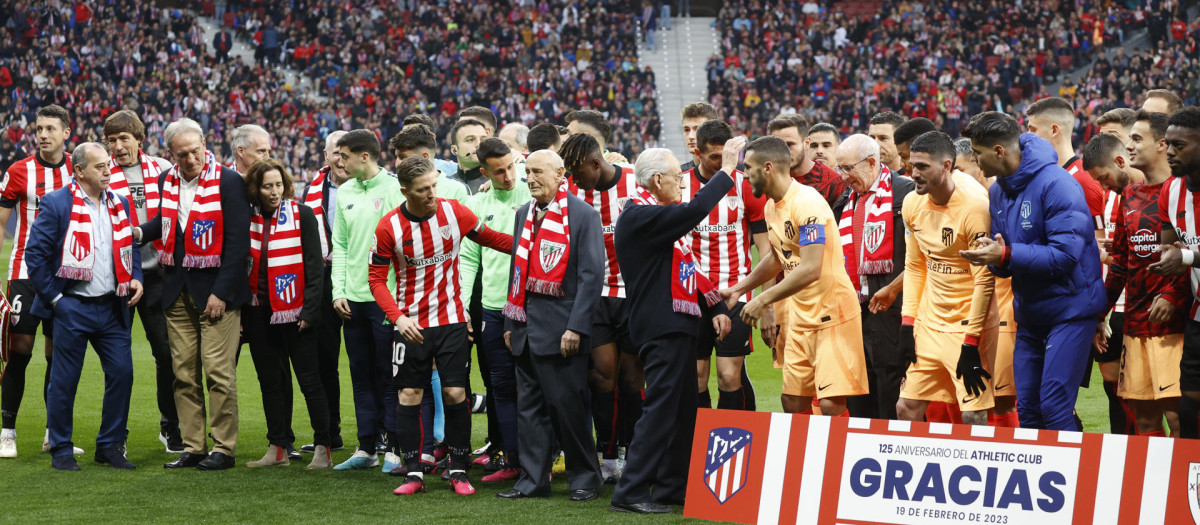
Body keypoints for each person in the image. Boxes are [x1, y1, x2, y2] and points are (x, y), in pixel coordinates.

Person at [368, 156, 513, 496]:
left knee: (455, 392)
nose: (432, 194)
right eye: (423, 190)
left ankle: (458, 470)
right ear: (405, 191)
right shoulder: (388, 227)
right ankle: (414, 473)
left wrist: (527, 243)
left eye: (434, 185)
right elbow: (375, 279)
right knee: (409, 394)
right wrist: (398, 317)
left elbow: (491, 238)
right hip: (411, 324)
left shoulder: (455, 212)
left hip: (451, 320)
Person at [960, 112, 1106, 431]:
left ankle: (1074, 478)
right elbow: (1007, 264)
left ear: (999, 151)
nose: (975, 161)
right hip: (1029, 313)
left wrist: (1006, 253)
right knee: (1027, 409)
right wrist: (995, 258)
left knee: (1054, 409)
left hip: (1072, 308)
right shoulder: (998, 192)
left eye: (978, 154)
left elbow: (1064, 256)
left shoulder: (1057, 183)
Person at [611, 145, 735, 514]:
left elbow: (689, 269)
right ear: (658, 180)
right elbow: (696, 210)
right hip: (661, 324)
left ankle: (670, 486)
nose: (683, 184)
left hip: (677, 322)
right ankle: (630, 491)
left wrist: (716, 304)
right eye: (679, 179)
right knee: (662, 407)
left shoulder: (653, 217)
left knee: (683, 408)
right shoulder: (638, 214)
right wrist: (726, 170)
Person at [724, 136, 868, 417]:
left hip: (833, 314)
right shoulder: (771, 206)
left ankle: (834, 459)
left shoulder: (807, 202)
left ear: (767, 168)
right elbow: (778, 258)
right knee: (792, 401)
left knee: (829, 403)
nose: (745, 175)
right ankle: (806, 458)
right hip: (802, 315)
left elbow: (811, 267)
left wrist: (762, 299)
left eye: (748, 167)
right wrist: (738, 290)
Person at [137, 117, 251, 470]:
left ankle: (224, 449)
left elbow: (238, 244)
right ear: (170, 153)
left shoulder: (229, 182)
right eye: (182, 154)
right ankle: (194, 446)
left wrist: (222, 292)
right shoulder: (164, 180)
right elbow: (169, 224)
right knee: (183, 374)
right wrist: (137, 233)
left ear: (205, 144)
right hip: (176, 291)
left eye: (195, 151)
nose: (190, 159)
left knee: (218, 372)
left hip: (215, 292)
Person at [26, 143, 143, 471]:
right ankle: (61, 449)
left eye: (109, 165)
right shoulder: (56, 203)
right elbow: (34, 255)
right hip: (72, 305)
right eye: (100, 167)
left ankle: (109, 445)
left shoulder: (119, 203)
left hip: (112, 306)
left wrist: (135, 277)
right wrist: (55, 299)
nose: (108, 171)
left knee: (122, 374)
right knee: (64, 380)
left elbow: (130, 245)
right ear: (79, 171)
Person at [497, 149, 604, 501]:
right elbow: (518, 269)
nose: (530, 178)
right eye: (527, 171)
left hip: (563, 332)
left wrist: (576, 328)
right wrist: (511, 322)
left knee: (568, 408)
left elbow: (591, 276)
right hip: (526, 329)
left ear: (561, 174)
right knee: (530, 412)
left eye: (538, 171)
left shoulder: (583, 214)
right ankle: (532, 481)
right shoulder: (523, 214)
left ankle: (585, 479)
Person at [897, 131, 997, 426]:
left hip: (967, 325)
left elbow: (984, 281)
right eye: (913, 165)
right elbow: (916, 267)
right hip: (929, 324)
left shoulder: (975, 209)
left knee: (973, 414)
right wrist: (907, 324)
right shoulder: (912, 204)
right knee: (906, 408)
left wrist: (971, 342)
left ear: (946, 166)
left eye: (923, 167)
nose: (914, 173)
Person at [560, 132, 642, 483]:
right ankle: (608, 454)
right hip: (595, 297)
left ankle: (632, 452)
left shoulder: (636, 183)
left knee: (631, 380)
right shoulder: (571, 192)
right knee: (602, 377)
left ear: (597, 163)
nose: (574, 180)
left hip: (635, 295)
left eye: (578, 172)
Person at [1097, 110, 1185, 439]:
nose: (1128, 145)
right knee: (1144, 421)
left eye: (1136, 138)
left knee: (1179, 419)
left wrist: (1173, 295)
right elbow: (1120, 260)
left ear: (1162, 144)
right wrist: (1100, 313)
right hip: (1135, 324)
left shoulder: (1182, 192)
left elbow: (1189, 253)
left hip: (1173, 325)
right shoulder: (1130, 196)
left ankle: (1187, 489)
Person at [241, 158, 332, 469]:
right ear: (256, 188)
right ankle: (277, 447)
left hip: (297, 313)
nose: (275, 191)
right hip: (258, 312)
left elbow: (314, 267)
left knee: (309, 380)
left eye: (279, 185)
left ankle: (323, 447)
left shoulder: (302, 215)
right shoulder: (246, 217)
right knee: (270, 381)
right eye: (267, 186)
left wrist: (310, 310)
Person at [102, 110, 181, 453]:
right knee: (117, 360)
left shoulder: (163, 169)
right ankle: (116, 432)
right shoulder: (99, 172)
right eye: (111, 140)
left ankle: (171, 425)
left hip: (158, 275)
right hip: (117, 279)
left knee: (168, 354)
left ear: (139, 139)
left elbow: (174, 216)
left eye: (124, 139)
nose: (118, 146)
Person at [0, 105, 74, 459]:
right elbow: (0, 225)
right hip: (25, 274)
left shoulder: (80, 167)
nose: (42, 134)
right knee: (20, 351)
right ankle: (7, 431)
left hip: (66, 275)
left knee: (57, 355)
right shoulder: (18, 171)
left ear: (65, 133)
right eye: (38, 128)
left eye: (49, 128)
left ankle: (52, 434)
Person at [684, 121, 772, 411]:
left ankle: (731, 445)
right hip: (694, 296)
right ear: (698, 151)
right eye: (714, 157)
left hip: (736, 292)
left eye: (727, 156)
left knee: (729, 375)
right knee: (695, 378)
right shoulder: (682, 184)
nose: (723, 163)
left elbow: (766, 249)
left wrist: (765, 303)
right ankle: (698, 446)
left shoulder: (746, 185)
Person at [328, 129, 401, 471]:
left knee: (388, 374)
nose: (338, 162)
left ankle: (394, 447)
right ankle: (367, 446)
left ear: (364, 156)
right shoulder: (344, 193)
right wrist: (338, 290)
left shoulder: (394, 188)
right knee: (360, 374)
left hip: (385, 298)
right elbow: (340, 245)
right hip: (353, 298)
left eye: (343, 156)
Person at [459, 138, 531, 482]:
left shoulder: (532, 196)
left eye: (510, 168)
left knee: (533, 386)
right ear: (483, 172)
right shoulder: (476, 204)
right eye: (498, 171)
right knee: (500, 386)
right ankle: (512, 459)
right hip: (491, 308)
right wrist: (463, 305)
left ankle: (542, 457)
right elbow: (469, 260)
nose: (507, 176)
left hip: (530, 306)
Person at [831, 134, 914, 420]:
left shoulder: (905, 193)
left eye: (847, 168)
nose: (842, 177)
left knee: (891, 385)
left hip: (894, 307)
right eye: (839, 168)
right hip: (856, 308)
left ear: (870, 162)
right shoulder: (846, 200)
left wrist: (895, 290)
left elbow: (920, 256)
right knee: (859, 386)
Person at [297, 130, 348, 454]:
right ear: (326, 156)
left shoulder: (375, 188)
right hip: (325, 277)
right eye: (336, 154)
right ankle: (330, 433)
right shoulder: (311, 190)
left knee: (370, 361)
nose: (341, 160)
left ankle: (383, 436)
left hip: (364, 279)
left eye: (347, 153)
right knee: (325, 359)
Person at [1151, 106, 1200, 439]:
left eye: (1179, 145)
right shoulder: (1170, 191)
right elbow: (1170, 249)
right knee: (1188, 409)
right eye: (1168, 144)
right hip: (1198, 316)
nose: (1169, 151)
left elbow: (1182, 254)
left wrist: (1184, 256)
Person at [1025, 97, 1106, 224]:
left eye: (1033, 130)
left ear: (1054, 130)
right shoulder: (1038, 177)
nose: (1027, 136)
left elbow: (1097, 240)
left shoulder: (1084, 180)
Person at [768, 113, 847, 208]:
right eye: (777, 145)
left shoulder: (835, 183)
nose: (782, 152)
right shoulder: (766, 181)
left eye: (790, 145)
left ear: (807, 143)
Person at [448, 119, 492, 194]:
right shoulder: (446, 186)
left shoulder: (497, 182)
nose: (479, 144)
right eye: (470, 140)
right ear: (454, 150)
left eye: (483, 139)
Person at [680, 102, 719, 173]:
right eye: (687, 130)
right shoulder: (679, 175)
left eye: (698, 129)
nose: (690, 136)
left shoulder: (739, 173)